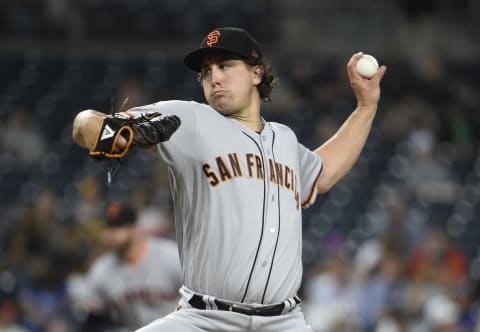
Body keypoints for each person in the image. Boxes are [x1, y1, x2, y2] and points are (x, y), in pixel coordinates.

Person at [72, 27, 386, 332]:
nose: (214, 77)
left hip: (283, 322)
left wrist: (366, 105)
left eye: (225, 65)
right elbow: (86, 125)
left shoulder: (285, 140)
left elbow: (325, 173)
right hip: (204, 319)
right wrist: (112, 133)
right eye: (206, 71)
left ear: (256, 74)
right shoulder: (189, 119)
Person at [68, 201, 181, 331]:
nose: (112, 232)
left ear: (135, 227)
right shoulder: (102, 270)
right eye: (108, 227)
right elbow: (90, 316)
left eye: (118, 225)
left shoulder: (170, 256)